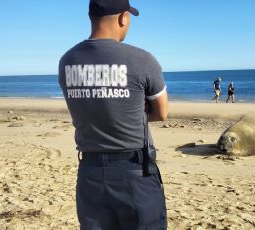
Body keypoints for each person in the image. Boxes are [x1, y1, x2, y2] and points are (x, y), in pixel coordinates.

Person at [58, 0, 168, 229]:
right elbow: (161, 113)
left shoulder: (68, 61)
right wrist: (134, 109)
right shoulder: (142, 60)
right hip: (134, 171)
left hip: (90, 171)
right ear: (123, 17)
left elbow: (86, 107)